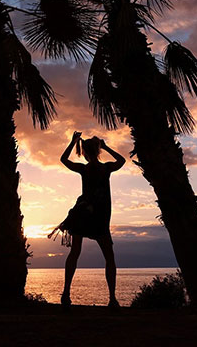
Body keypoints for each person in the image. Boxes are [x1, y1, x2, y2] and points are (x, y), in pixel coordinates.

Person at [48, 131, 125, 307]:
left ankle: (66, 294)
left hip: (83, 215)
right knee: (109, 257)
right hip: (99, 217)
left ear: (84, 153)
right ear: (98, 152)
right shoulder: (105, 168)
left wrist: (72, 142)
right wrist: (106, 147)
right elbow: (122, 161)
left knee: (75, 252)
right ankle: (112, 299)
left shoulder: (84, 169)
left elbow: (64, 160)